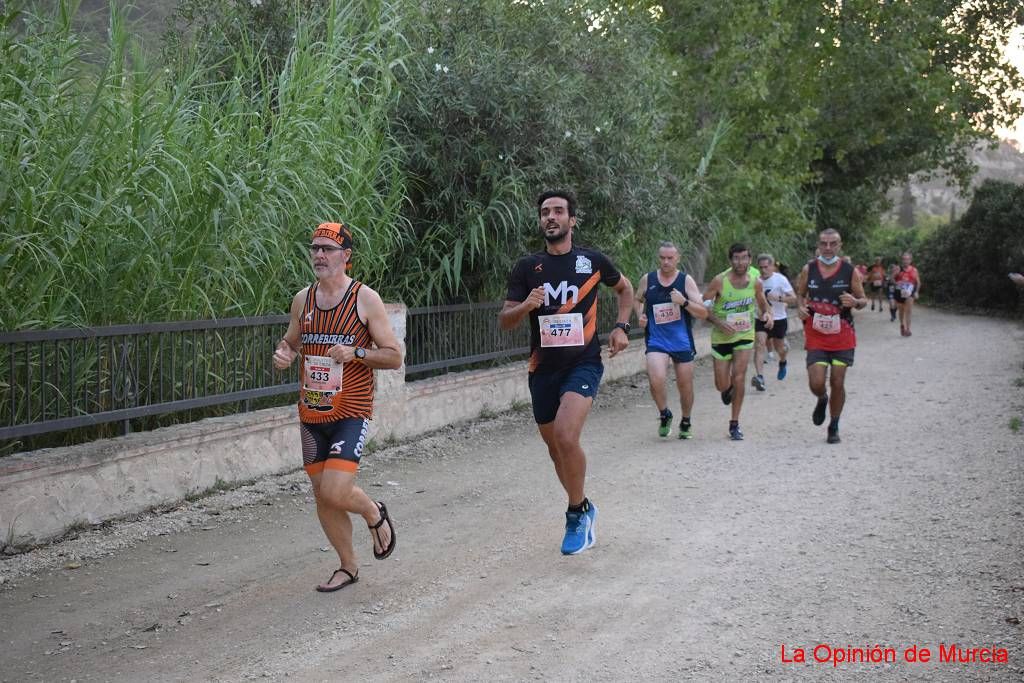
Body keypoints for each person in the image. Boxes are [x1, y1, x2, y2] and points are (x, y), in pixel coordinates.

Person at [499, 190, 633, 555]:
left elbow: (625, 290)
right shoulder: (528, 268)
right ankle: (585, 504)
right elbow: (505, 321)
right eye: (545, 212)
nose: (551, 217)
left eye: (558, 211)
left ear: (572, 220)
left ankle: (575, 515)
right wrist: (527, 304)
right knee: (556, 450)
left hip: (583, 363)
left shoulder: (592, 261)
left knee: (565, 435)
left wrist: (622, 327)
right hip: (542, 369)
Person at [272, 222, 403, 592]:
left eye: (328, 249)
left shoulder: (365, 298)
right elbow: (291, 342)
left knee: (335, 490)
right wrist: (283, 353)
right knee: (322, 494)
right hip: (312, 413)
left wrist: (356, 352)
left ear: (346, 256)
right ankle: (348, 566)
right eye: (315, 248)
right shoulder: (303, 299)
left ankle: (374, 513)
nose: (319, 255)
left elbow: (394, 356)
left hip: (351, 411)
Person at [795, 228, 867, 444]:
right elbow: (800, 293)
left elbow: (863, 299)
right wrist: (800, 307)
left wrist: (855, 302)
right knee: (816, 382)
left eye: (832, 244)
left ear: (839, 245)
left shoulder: (849, 271)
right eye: (824, 243)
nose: (828, 248)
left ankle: (833, 425)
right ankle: (821, 398)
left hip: (842, 333)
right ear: (818, 245)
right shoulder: (809, 269)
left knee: (837, 380)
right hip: (816, 334)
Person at [633, 241, 708, 439]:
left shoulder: (685, 281)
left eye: (670, 258)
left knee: (685, 385)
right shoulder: (648, 279)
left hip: (681, 341)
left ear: (678, 259)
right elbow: (637, 299)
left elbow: (702, 312)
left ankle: (686, 420)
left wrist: (683, 302)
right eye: (662, 258)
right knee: (656, 379)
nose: (666, 262)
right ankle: (665, 413)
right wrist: (640, 315)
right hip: (657, 340)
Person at [702, 244, 772, 441]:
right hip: (721, 336)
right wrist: (718, 321)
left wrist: (767, 314)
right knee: (721, 384)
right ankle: (727, 389)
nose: (740, 262)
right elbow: (702, 307)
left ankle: (734, 424)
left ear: (750, 260)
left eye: (744, 258)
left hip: (744, 334)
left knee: (739, 377)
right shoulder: (719, 281)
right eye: (736, 258)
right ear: (730, 260)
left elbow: (762, 303)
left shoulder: (755, 282)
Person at [752, 254, 796, 389]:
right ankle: (760, 377)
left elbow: (793, 298)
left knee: (780, 349)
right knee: (760, 345)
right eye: (761, 267)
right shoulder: (755, 280)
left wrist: (779, 298)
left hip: (779, 318)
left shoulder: (780, 279)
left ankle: (783, 361)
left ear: (772, 266)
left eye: (766, 267)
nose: (763, 270)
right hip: (761, 318)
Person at [893, 251, 921, 337]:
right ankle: (902, 325)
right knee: (901, 310)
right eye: (904, 259)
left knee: (909, 311)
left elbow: (918, 282)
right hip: (900, 292)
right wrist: (897, 283)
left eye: (907, 259)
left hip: (910, 292)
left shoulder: (914, 270)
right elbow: (892, 280)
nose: (905, 261)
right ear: (902, 260)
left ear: (910, 260)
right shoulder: (898, 268)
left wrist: (916, 292)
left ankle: (908, 329)